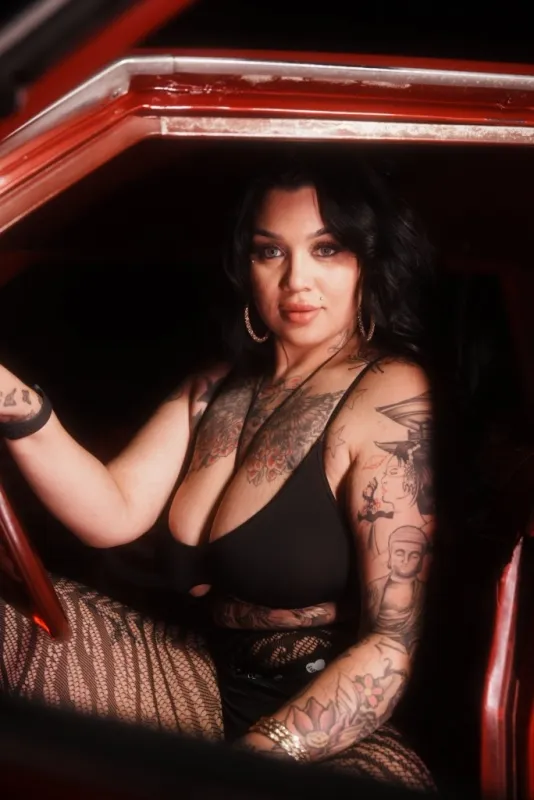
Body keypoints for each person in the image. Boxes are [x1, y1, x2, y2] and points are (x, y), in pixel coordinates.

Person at [0, 154, 437, 791]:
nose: (297, 279)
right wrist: (13, 402)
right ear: (245, 265)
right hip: (202, 681)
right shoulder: (216, 387)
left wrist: (247, 765)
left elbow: (391, 646)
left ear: (367, 262)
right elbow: (111, 511)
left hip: (330, 723)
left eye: (327, 249)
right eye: (270, 251)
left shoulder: (389, 391)